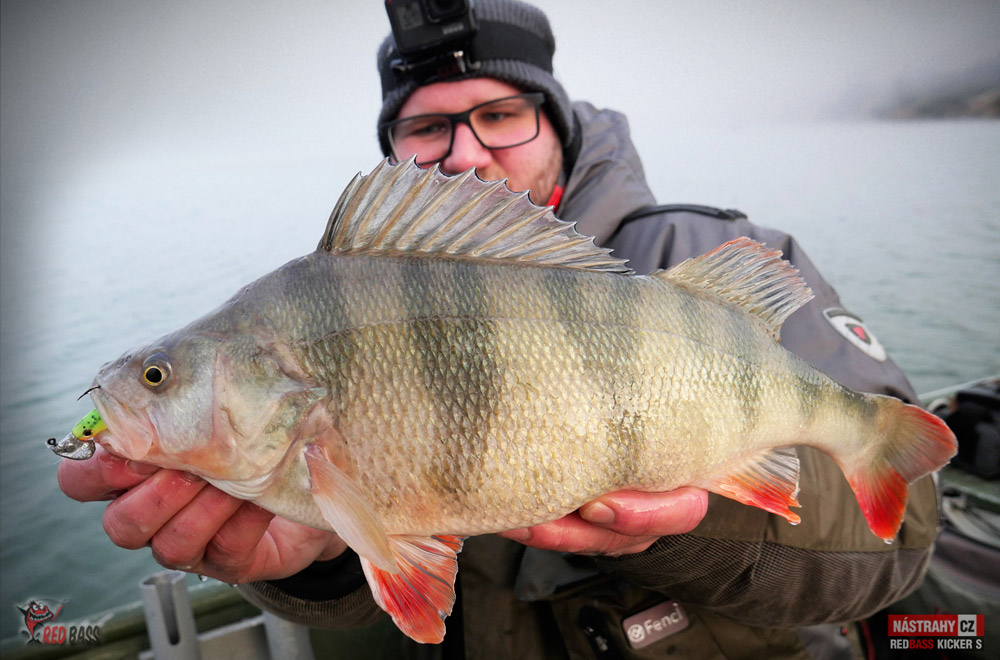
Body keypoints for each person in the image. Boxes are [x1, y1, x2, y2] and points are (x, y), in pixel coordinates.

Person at [58, 1, 941, 658]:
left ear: (557, 121)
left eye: (501, 115)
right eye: (427, 126)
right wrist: (316, 562)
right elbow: (384, 576)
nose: (467, 153)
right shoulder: (331, 299)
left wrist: (686, 526)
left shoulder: (705, 252)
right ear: (394, 147)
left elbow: (901, 547)